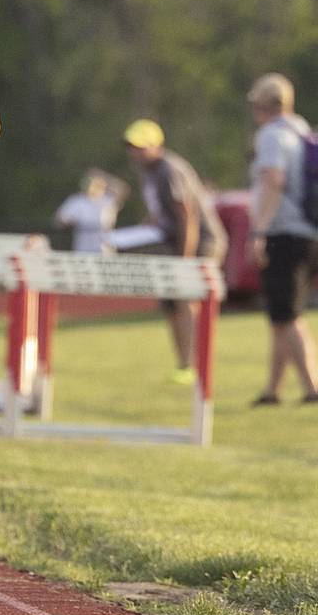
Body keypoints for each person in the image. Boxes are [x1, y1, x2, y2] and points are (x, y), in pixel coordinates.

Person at [122, 117, 228, 385]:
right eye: (131, 146)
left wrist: (185, 260)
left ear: (156, 145)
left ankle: (196, 364)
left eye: (140, 146)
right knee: (171, 303)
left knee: (185, 299)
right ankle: (184, 365)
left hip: (201, 242)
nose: (134, 152)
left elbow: (187, 217)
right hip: (176, 242)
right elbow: (162, 213)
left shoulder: (170, 169)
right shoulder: (148, 172)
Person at [244, 73, 318, 406]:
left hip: (283, 232)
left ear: (261, 105)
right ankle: (273, 390)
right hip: (308, 233)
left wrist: (259, 231)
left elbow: (273, 181)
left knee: (287, 315)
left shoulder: (272, 136)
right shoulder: (302, 131)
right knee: (279, 315)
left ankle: (312, 387)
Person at [53, 168, 129, 253]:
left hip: (104, 245)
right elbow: (60, 220)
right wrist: (65, 221)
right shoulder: (77, 200)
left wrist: (103, 176)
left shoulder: (109, 200)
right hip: (82, 245)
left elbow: (123, 188)